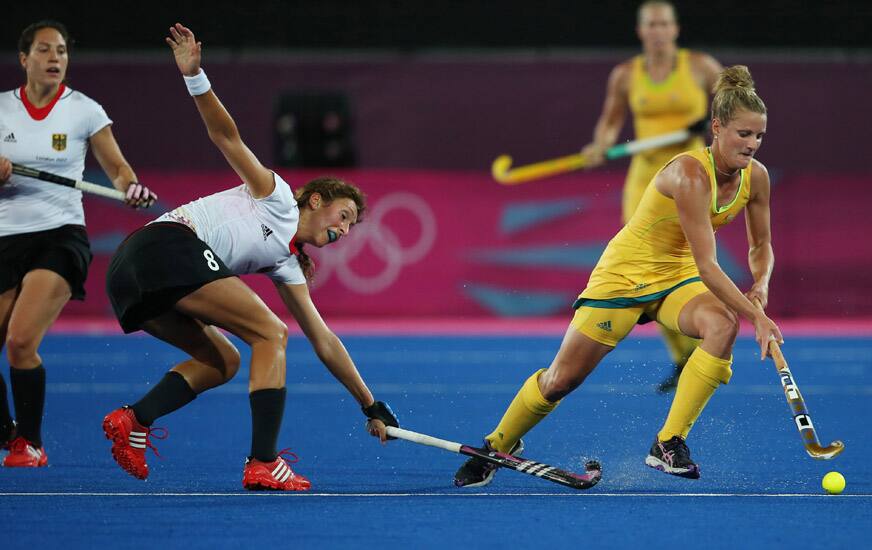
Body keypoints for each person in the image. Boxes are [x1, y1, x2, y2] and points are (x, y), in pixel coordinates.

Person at [101, 23, 397, 491]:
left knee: (223, 360)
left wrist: (369, 403)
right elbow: (227, 138)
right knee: (269, 332)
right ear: (315, 199)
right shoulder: (276, 196)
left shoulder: (284, 262)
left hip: (127, 275)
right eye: (343, 215)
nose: (342, 230)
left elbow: (323, 339)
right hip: (163, 247)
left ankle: (133, 418)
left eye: (350, 227)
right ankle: (263, 461)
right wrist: (195, 77)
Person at [455, 65, 782, 487]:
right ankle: (495, 445)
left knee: (721, 325)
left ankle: (668, 442)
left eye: (759, 136)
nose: (752, 145)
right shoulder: (689, 175)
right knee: (562, 380)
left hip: (676, 278)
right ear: (716, 128)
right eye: (743, 134)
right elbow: (709, 266)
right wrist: (759, 318)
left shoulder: (756, 179)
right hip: (624, 277)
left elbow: (761, 247)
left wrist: (761, 286)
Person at [0, 20, 156, 467]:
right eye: (45, 50)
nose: (55, 58)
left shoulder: (84, 110)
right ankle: (5, 430)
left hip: (59, 236)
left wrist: (132, 187)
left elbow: (120, 171)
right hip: (5, 238)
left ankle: (29, 443)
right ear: (24, 59)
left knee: (20, 340)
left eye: (63, 51)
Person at [581, 1, 723, 393]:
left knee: (687, 262)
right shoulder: (626, 74)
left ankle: (700, 341)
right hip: (646, 180)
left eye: (664, 24)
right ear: (641, 31)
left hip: (692, 174)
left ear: (675, 29)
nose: (658, 31)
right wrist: (600, 145)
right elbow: (610, 122)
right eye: (651, 25)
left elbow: (737, 102)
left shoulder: (699, 66)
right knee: (645, 268)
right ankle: (683, 358)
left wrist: (711, 120)